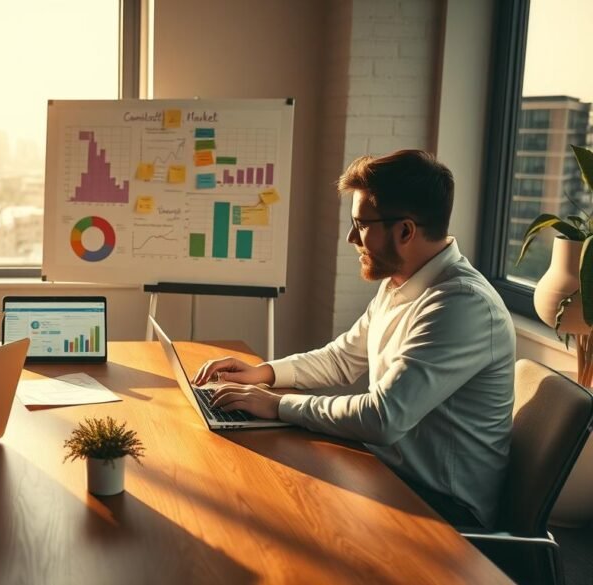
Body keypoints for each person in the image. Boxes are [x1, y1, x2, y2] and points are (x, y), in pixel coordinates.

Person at [194, 150, 515, 528]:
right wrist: (262, 375)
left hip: (442, 508)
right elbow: (341, 359)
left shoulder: (462, 306)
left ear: (405, 231)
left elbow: (382, 418)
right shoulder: (401, 282)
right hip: (390, 472)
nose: (351, 238)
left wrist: (278, 405)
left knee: (278, 513)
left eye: (361, 224)